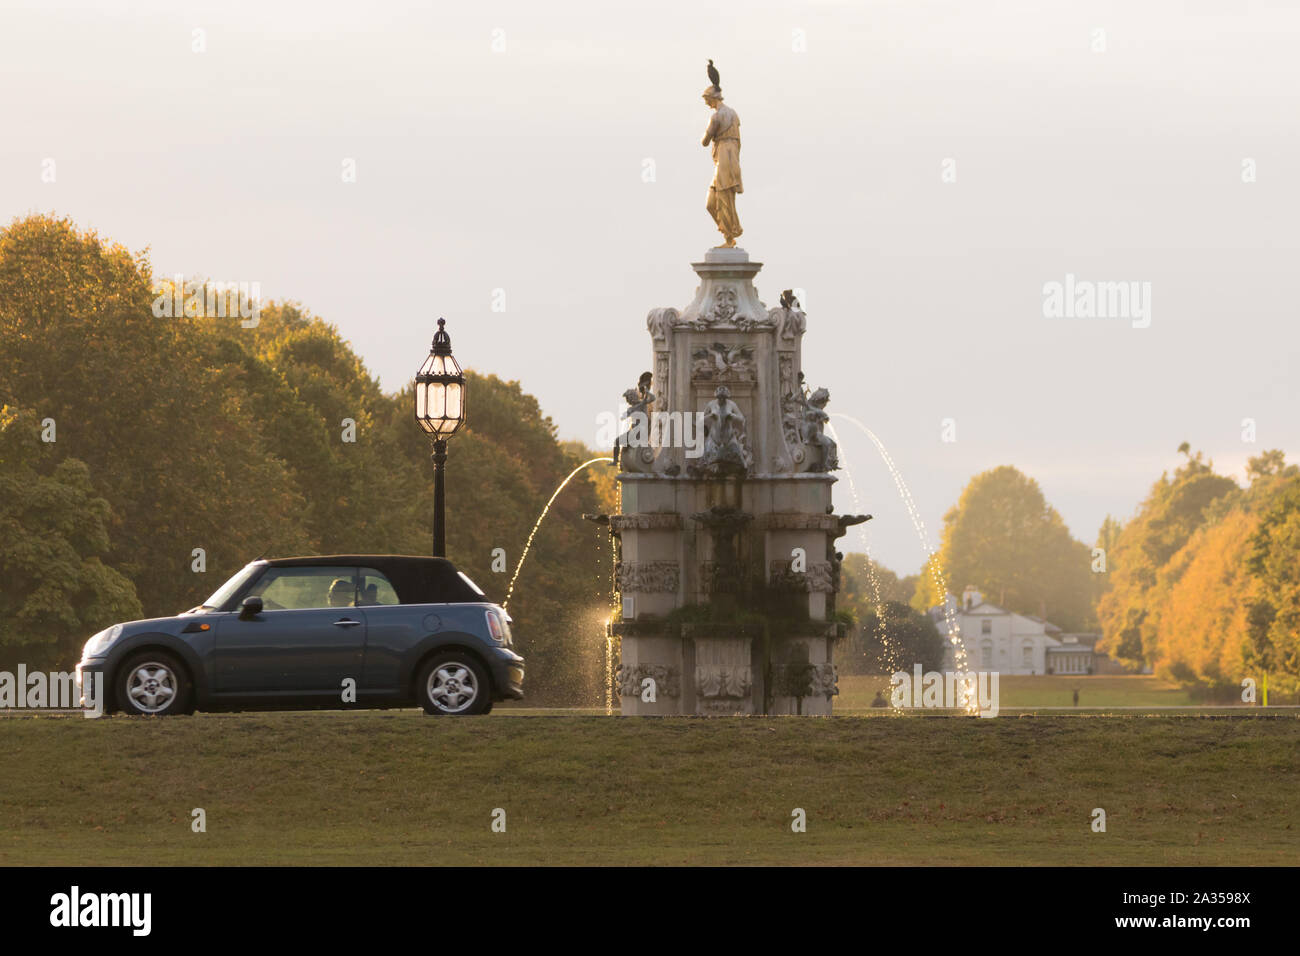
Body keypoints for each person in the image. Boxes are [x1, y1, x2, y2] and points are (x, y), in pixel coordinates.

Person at [701, 84, 742, 247]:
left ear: (712, 98)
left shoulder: (717, 116)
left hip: (725, 157)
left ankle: (729, 235)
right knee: (712, 202)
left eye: (706, 99)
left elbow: (704, 141)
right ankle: (729, 230)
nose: (706, 103)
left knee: (723, 196)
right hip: (731, 158)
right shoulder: (734, 114)